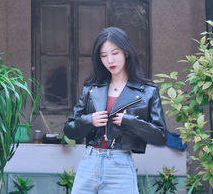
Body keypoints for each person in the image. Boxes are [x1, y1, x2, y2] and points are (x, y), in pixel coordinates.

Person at [64, 27, 167, 194]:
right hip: (89, 162)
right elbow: (69, 131)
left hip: (120, 165)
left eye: (115, 53)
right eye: (103, 56)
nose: (110, 60)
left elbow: (161, 136)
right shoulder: (92, 88)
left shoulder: (147, 91)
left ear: (126, 52)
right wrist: (89, 120)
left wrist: (130, 122)